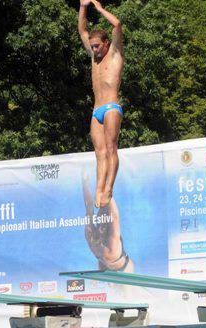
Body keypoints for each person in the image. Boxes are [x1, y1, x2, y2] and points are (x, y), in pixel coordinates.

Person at [78, 0, 124, 208]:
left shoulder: (114, 54)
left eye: (97, 46)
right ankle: (99, 188)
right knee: (99, 153)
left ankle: (109, 188)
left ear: (107, 44)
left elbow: (117, 25)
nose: (94, 49)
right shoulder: (94, 57)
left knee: (111, 148)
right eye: (92, 46)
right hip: (97, 110)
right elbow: (82, 31)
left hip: (112, 107)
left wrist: (99, 9)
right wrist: (82, 7)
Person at [82, 170, 134, 273]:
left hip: (107, 260)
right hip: (113, 260)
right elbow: (114, 215)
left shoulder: (92, 234)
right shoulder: (110, 240)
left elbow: (89, 204)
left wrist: (84, 182)